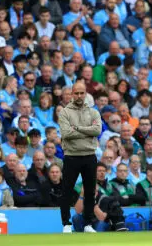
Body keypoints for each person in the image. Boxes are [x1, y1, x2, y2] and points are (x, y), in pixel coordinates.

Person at [58, 82, 102, 233]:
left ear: (85, 94)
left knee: (90, 191)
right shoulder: (65, 112)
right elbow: (66, 133)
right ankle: (66, 223)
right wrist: (87, 131)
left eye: (81, 93)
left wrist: (77, 128)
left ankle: (88, 224)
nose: (79, 96)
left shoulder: (93, 112)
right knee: (67, 191)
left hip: (89, 156)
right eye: (76, 93)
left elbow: (97, 130)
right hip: (71, 156)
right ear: (71, 94)